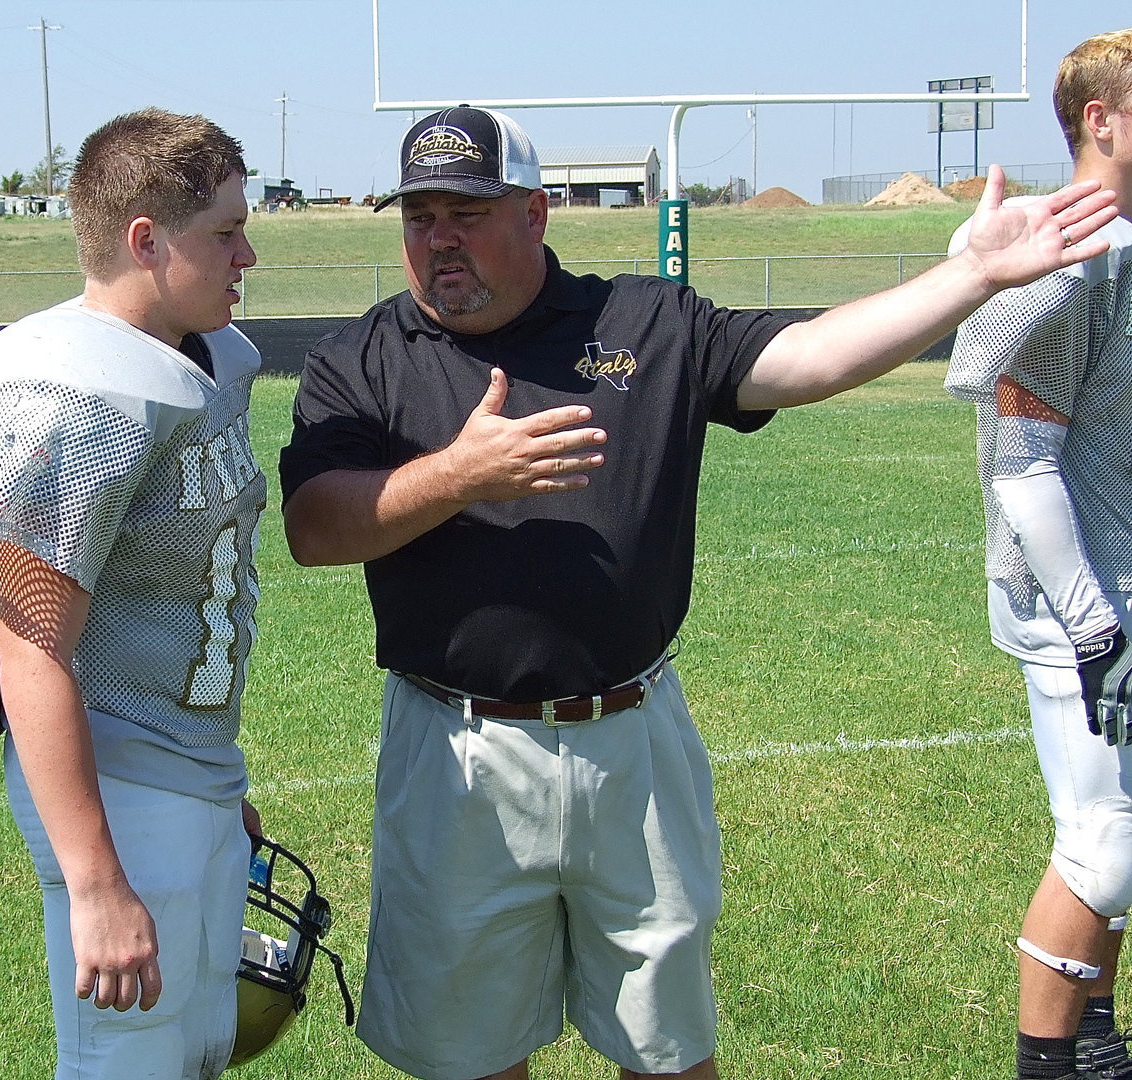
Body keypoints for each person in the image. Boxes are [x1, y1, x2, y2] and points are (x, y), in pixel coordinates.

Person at [278, 105, 1117, 1080]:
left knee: (669, 1054)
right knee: (471, 1061)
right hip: (458, 754)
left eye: (466, 213)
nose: (439, 240)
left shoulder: (644, 325)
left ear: (537, 214)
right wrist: (459, 474)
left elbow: (809, 359)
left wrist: (969, 276)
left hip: (632, 744)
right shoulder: (364, 360)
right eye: (419, 216)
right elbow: (315, 529)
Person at [0, 107, 265, 1079]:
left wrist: (220, 787)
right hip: (118, 783)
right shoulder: (70, 392)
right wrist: (96, 879)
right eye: (225, 231)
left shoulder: (210, 360)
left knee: (199, 1056)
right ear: (147, 240)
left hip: (186, 772)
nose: (246, 253)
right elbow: (30, 642)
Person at [946, 29, 1132, 1080]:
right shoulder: (1071, 257)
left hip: (1117, 583)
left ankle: (1096, 1040)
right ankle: (1048, 1061)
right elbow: (1023, 466)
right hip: (1076, 603)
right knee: (1105, 840)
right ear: (1097, 120)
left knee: (1123, 834)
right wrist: (1097, 625)